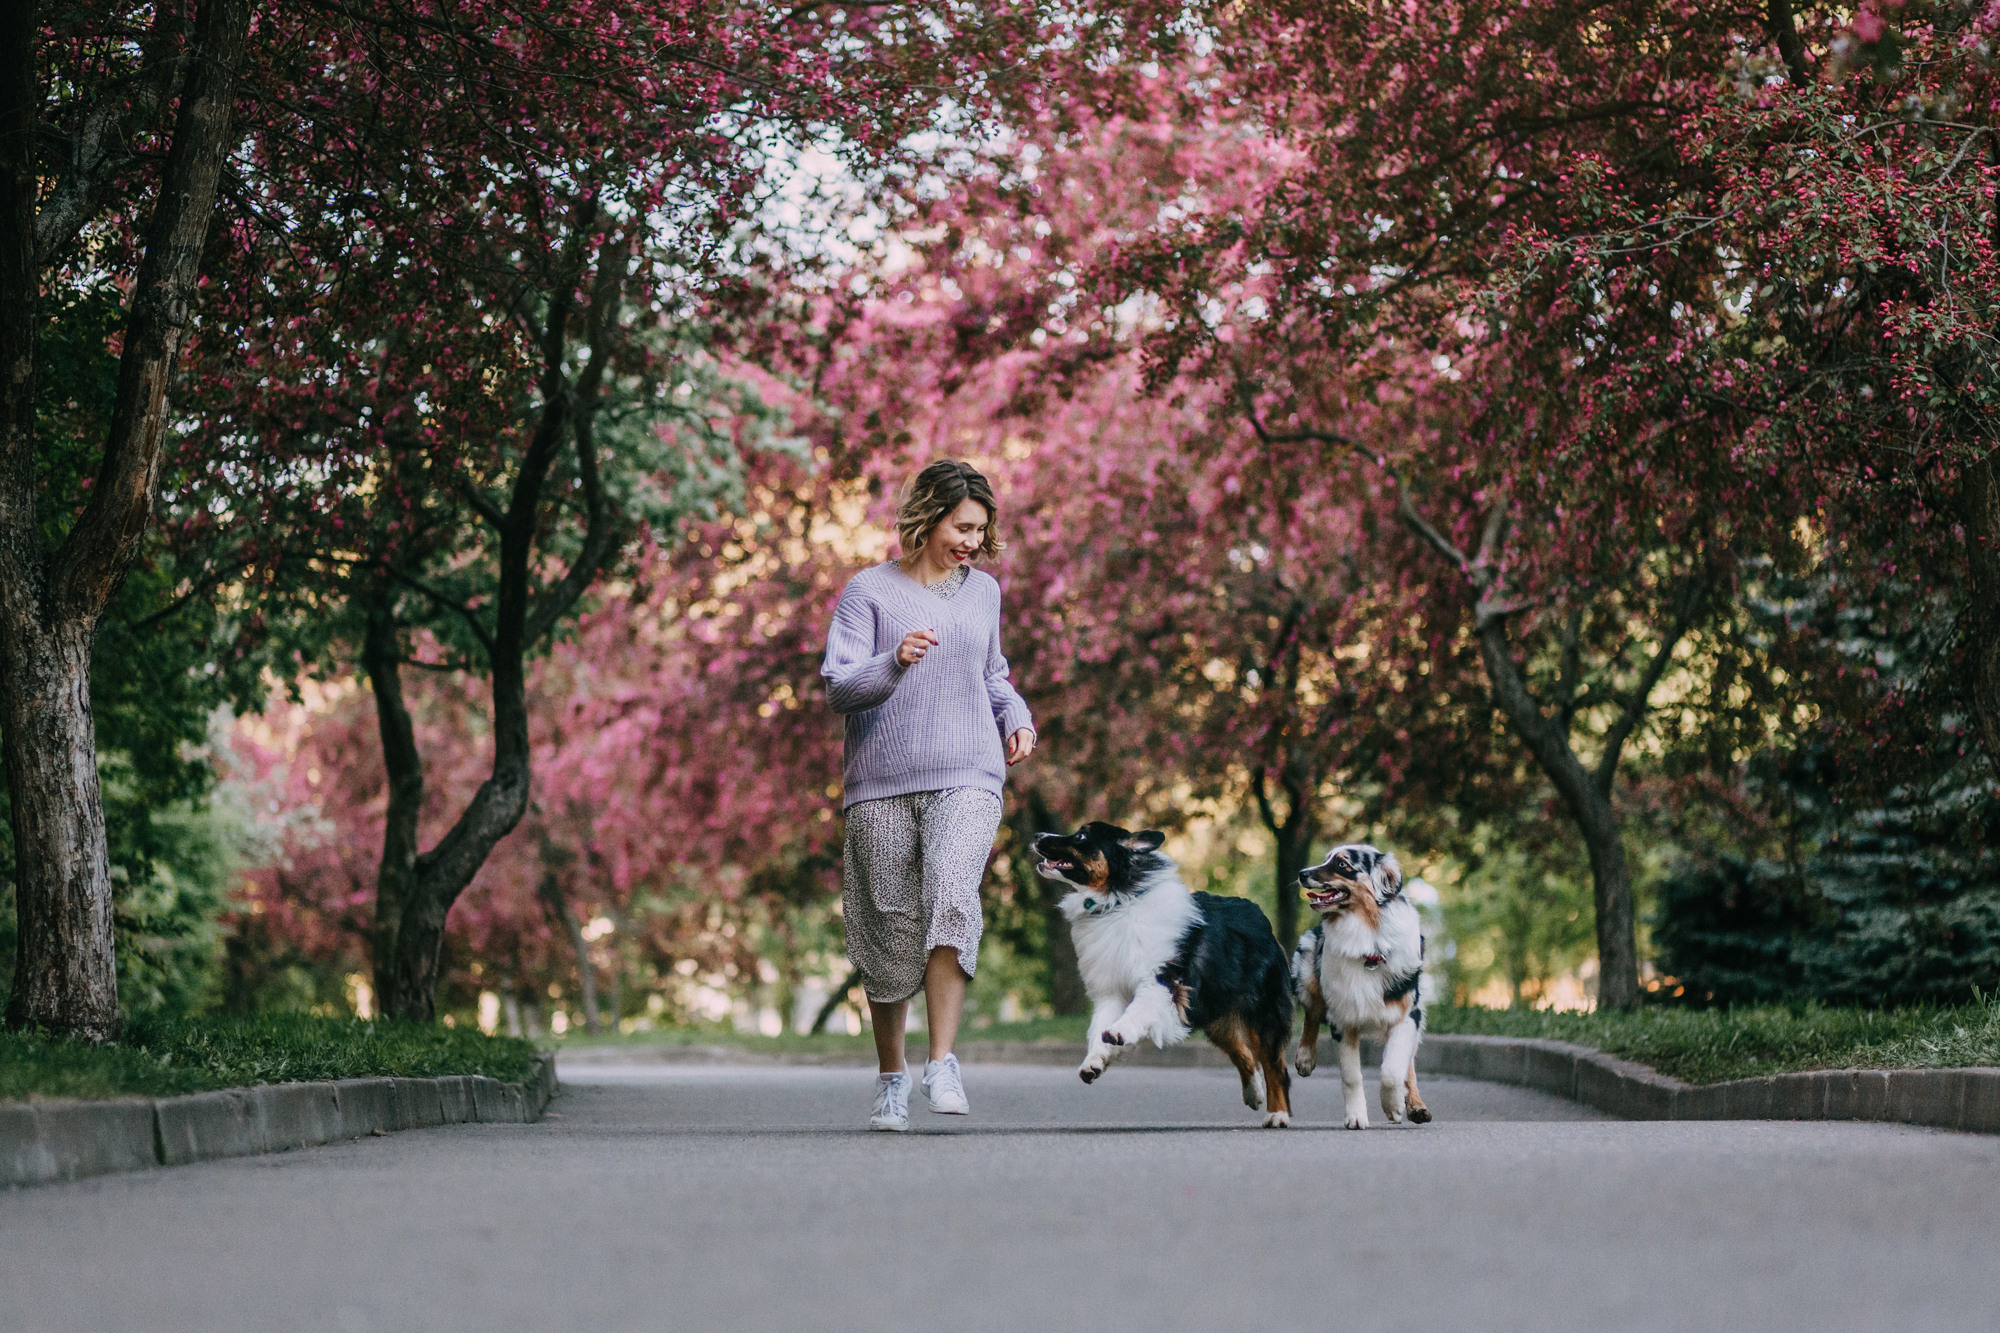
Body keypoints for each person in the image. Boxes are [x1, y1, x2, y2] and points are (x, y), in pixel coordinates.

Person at [820, 459, 1037, 1131]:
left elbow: (993, 673)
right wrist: (892, 661)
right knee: (887, 928)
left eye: (979, 529)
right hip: (881, 782)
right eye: (960, 526)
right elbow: (838, 686)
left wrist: (1018, 715)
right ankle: (893, 1079)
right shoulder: (868, 592)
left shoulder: (984, 593)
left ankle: (942, 1061)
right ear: (927, 518)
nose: (971, 541)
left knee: (952, 893)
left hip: (969, 771)